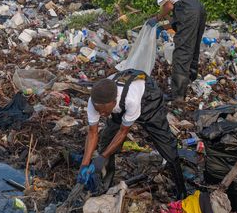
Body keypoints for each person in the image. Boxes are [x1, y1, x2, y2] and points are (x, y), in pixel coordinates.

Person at [78, 69, 187, 199]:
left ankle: (181, 190)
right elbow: (92, 132)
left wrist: (102, 157)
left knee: (166, 145)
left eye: (103, 111)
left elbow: (123, 131)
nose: (101, 114)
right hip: (119, 105)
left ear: (113, 102)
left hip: (147, 99)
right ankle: (105, 182)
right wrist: (84, 164)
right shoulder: (95, 102)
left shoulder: (131, 100)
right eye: (98, 111)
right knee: (106, 140)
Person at [146, 0, 207, 102]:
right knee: (193, 46)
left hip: (188, 11)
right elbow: (175, 8)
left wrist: (157, 18)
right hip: (199, 9)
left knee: (182, 51)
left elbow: (168, 6)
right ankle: (190, 81)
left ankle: (178, 95)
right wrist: (166, 22)